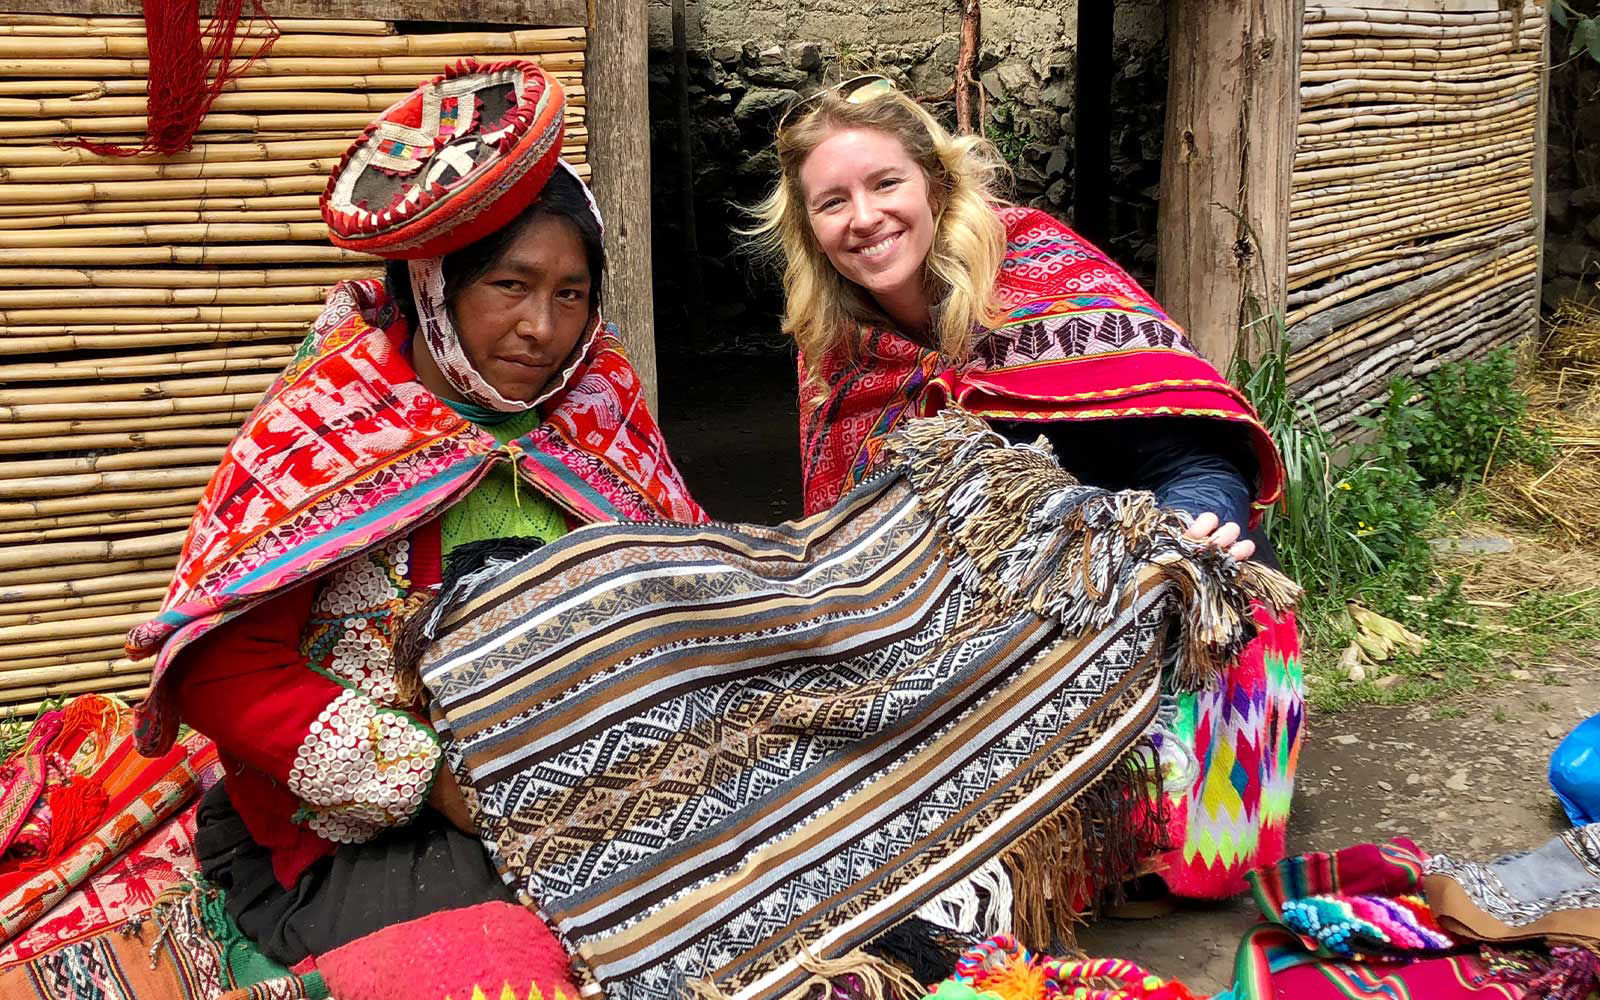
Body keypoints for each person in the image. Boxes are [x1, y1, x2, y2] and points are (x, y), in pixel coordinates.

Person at [122, 60, 703, 980]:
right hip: (359, 838)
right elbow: (224, 673)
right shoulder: (327, 425)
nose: (541, 329)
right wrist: (435, 778)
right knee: (498, 966)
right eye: (509, 286)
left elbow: (682, 597)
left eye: (570, 293)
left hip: (575, 795)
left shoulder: (601, 416)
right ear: (435, 285)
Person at [752, 75, 1303, 900]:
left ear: (936, 186)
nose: (864, 218)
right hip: (979, 631)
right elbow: (851, 538)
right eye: (832, 202)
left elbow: (1195, 460)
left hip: (1139, 610)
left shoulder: (1039, 283)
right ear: (809, 229)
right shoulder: (837, 350)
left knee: (1173, 852)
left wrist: (1200, 527)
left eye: (886, 183)